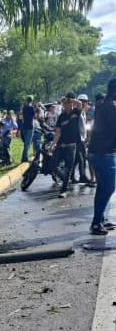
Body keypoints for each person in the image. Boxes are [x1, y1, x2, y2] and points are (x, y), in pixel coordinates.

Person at [87, 79, 116, 235]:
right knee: (109, 187)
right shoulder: (112, 107)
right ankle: (96, 222)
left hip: (96, 152)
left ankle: (101, 218)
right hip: (104, 153)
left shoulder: (102, 105)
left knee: (102, 187)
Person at [48, 92, 83, 198]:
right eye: (66, 103)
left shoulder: (76, 112)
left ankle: (64, 190)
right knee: (53, 165)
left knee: (68, 168)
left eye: (70, 102)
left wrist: (68, 99)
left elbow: (80, 104)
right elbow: (57, 132)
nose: (68, 104)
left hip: (72, 146)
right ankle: (65, 180)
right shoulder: (61, 116)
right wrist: (52, 145)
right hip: (61, 145)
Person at [71, 94, 91, 184]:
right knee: (81, 158)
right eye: (81, 101)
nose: (83, 103)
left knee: (77, 159)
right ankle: (82, 176)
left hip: (81, 138)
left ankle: (71, 176)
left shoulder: (84, 112)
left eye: (85, 102)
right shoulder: (76, 111)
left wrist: (86, 138)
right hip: (77, 138)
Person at [21, 96, 36, 162]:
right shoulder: (31, 108)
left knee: (26, 143)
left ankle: (24, 157)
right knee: (28, 143)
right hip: (30, 127)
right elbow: (35, 116)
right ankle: (24, 158)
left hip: (24, 126)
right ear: (32, 101)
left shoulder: (24, 107)